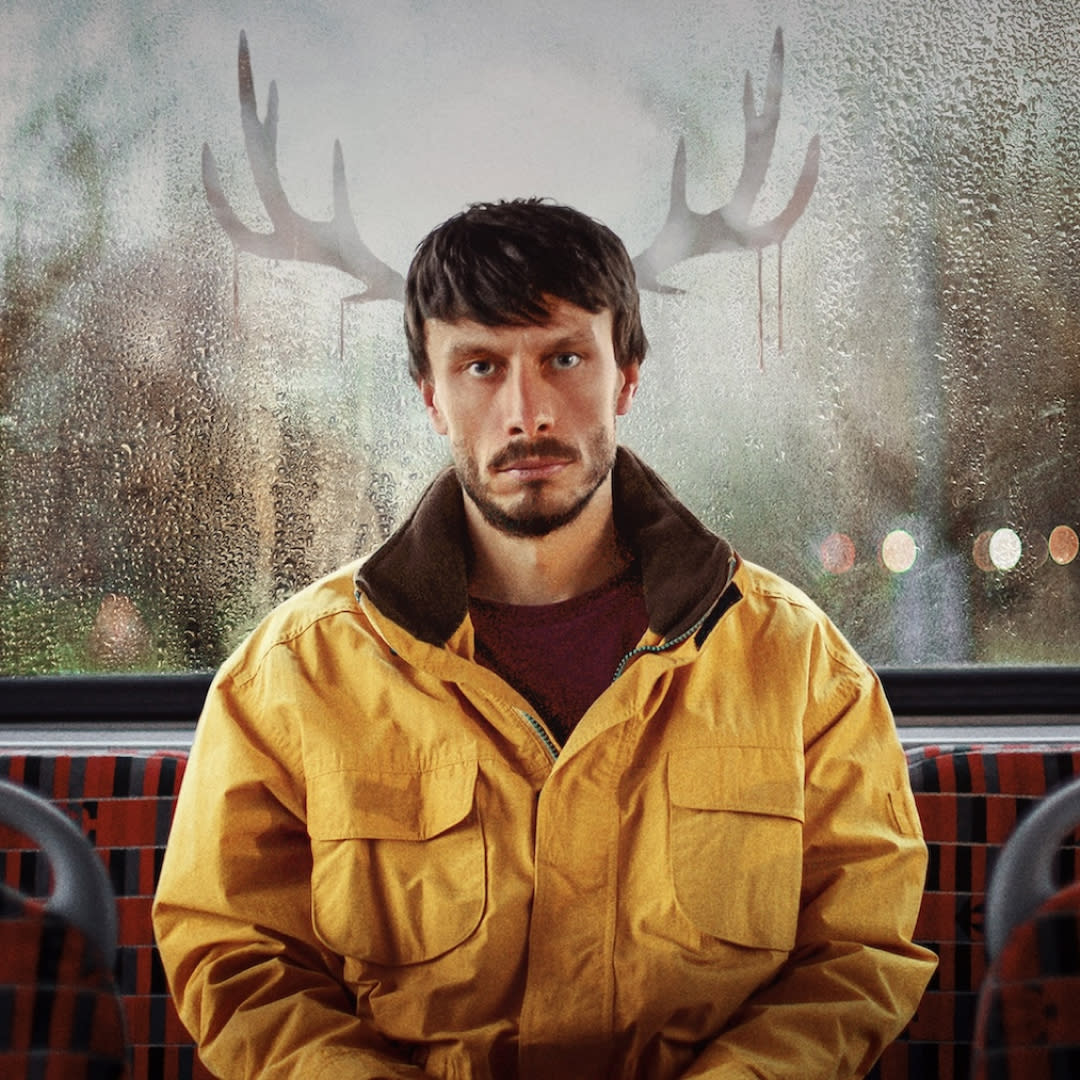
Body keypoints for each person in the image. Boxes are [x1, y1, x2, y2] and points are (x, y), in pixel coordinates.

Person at [153, 198, 936, 1079]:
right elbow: (236, 956)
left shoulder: (798, 665)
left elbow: (858, 952)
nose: (527, 412)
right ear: (431, 396)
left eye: (564, 357)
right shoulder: (291, 677)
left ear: (626, 378)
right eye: (481, 366)